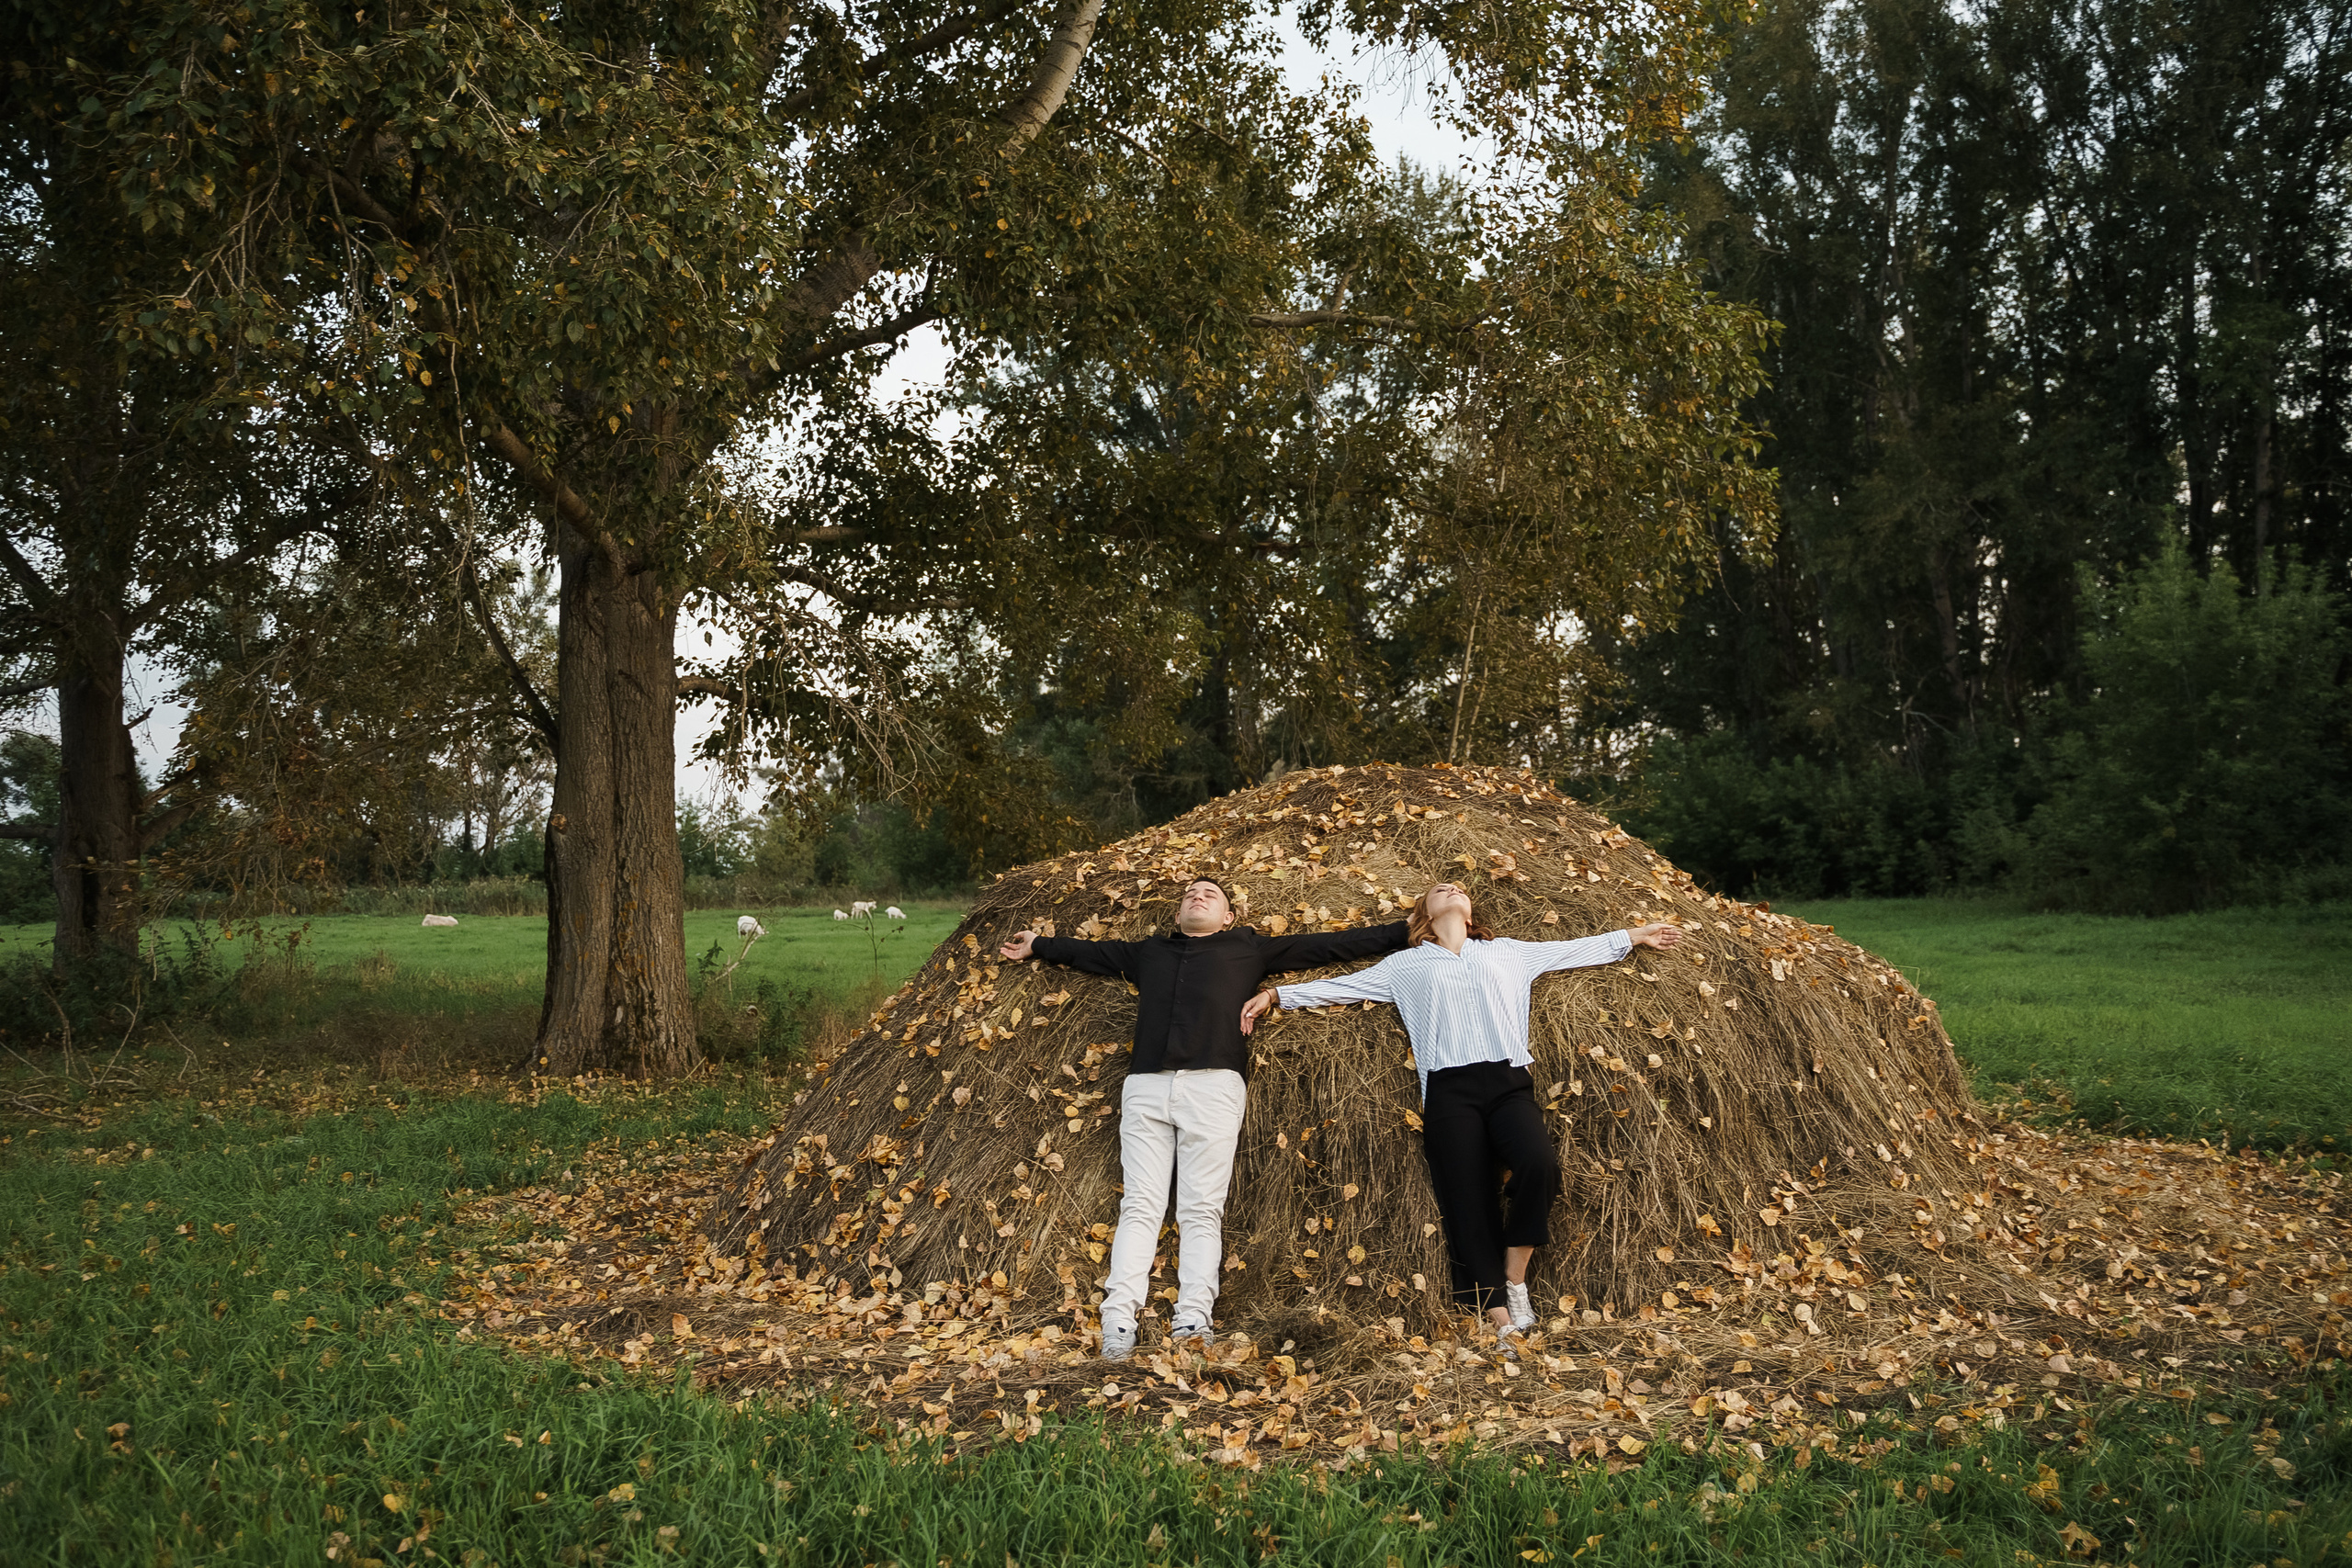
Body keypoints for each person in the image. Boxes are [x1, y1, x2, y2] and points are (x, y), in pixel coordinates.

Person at [1239, 883, 1683, 1350]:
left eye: (1459, 889)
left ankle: (1515, 1278)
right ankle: (1500, 1317)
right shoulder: (1404, 965)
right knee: (1466, 1199)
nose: (1452, 889)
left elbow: (1570, 950)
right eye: (1438, 890)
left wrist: (1636, 935)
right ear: (1423, 916)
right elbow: (1343, 987)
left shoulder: (1507, 952)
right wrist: (1277, 995)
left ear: (1470, 915)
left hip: (1508, 1081)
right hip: (1448, 1092)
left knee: (1540, 1166)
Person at [1001, 880, 1407, 1360]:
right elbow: (1094, 953)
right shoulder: (1149, 952)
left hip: (1213, 1087)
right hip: (1147, 1085)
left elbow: (1328, 945)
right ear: (1177, 916)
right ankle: (1118, 1324)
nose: (1198, 896)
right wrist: (1040, 945)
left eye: (1211, 895)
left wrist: (1405, 931)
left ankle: (1193, 1320)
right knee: (1140, 1205)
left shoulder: (1247, 948)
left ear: (1228, 917)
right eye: (1191, 893)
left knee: (1200, 1209)